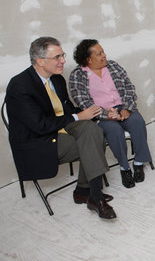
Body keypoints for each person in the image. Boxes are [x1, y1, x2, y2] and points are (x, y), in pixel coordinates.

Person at [5, 37, 116, 219]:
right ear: (40, 61)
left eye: (62, 55)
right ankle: (92, 195)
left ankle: (87, 192)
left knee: (93, 131)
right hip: (39, 142)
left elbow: (68, 110)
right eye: (57, 57)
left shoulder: (56, 80)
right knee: (93, 137)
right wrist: (79, 117)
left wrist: (94, 112)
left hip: (61, 130)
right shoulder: (20, 87)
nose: (63, 60)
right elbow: (40, 126)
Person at [69, 39, 153, 189]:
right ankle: (124, 168)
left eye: (103, 51)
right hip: (100, 113)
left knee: (137, 122)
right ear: (88, 59)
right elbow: (82, 101)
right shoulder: (78, 75)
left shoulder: (113, 66)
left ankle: (139, 162)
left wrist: (126, 108)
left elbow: (129, 87)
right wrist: (106, 114)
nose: (104, 55)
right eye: (99, 53)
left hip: (122, 106)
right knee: (114, 131)